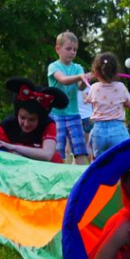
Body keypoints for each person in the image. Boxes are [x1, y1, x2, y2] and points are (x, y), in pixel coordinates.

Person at [0, 78, 68, 163]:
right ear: (17, 114)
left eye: (32, 119)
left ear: (40, 118)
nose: (26, 124)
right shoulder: (5, 127)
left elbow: (47, 154)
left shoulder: (48, 124)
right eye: (22, 118)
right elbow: (4, 159)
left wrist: (13, 147)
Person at [47, 31, 89, 164]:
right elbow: (63, 80)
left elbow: (81, 87)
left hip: (74, 114)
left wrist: (84, 79)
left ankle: (81, 180)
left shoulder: (77, 68)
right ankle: (58, 178)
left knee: (80, 150)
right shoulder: (53, 66)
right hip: (56, 115)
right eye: (68, 49)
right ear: (57, 49)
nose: (72, 52)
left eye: (75, 50)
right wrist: (80, 77)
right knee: (58, 151)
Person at [86, 52, 130, 159]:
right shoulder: (121, 87)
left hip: (99, 131)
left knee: (99, 161)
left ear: (96, 73)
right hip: (117, 129)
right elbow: (128, 102)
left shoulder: (93, 88)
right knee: (122, 159)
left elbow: (89, 100)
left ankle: (100, 176)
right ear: (116, 72)